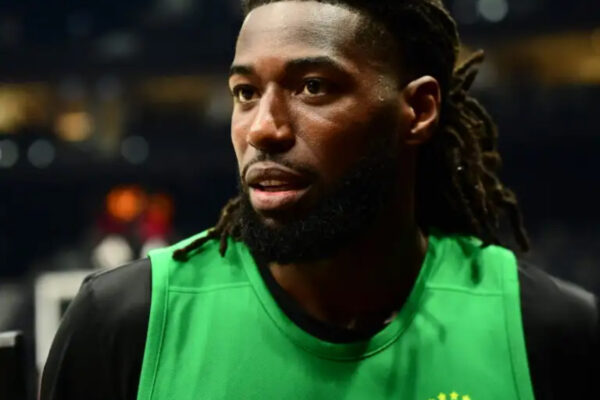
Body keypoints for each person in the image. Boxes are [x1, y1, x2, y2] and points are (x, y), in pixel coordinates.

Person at [41, 1, 598, 399]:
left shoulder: (549, 332)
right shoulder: (122, 326)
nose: (263, 128)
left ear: (419, 110)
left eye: (313, 86)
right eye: (245, 93)